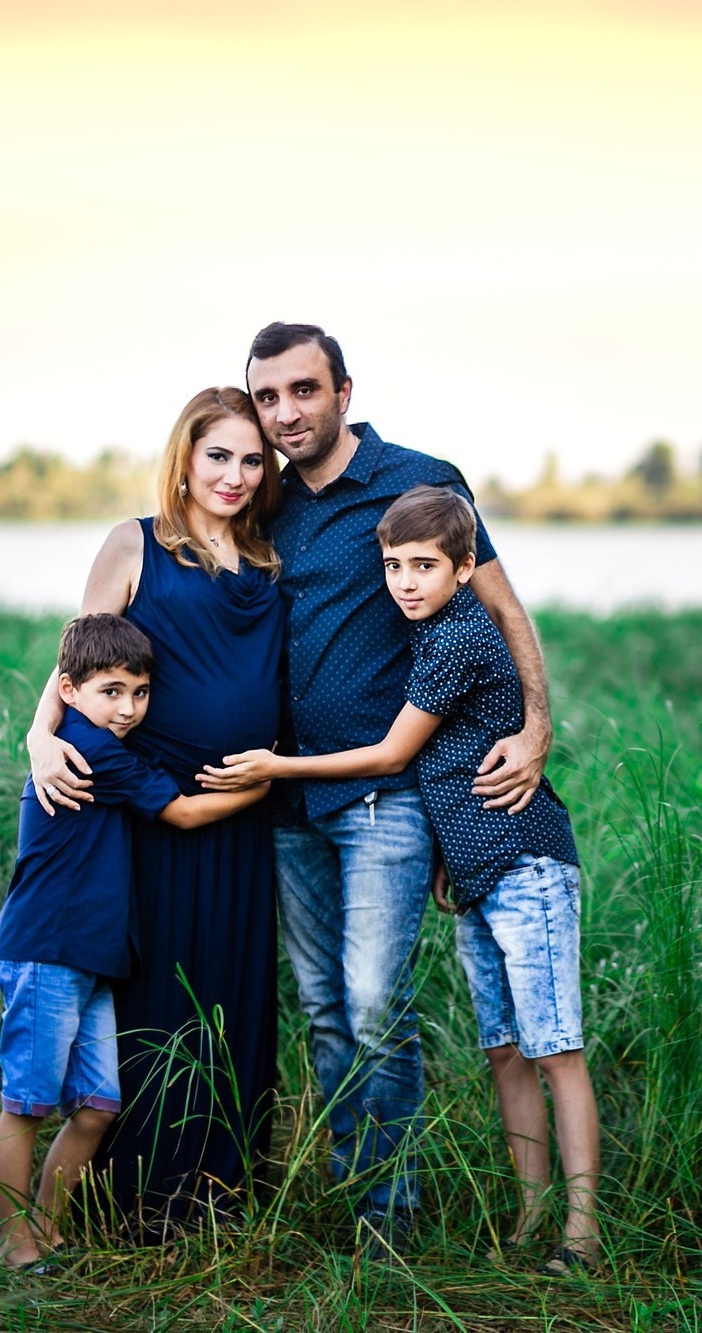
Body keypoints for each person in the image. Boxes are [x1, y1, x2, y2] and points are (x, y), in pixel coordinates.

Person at [198, 322, 551, 1257]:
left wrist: (536, 729)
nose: (283, 415)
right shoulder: (264, 504)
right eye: (266, 397)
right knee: (322, 1011)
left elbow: (505, 611)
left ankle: (394, 1216)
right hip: (287, 803)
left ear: (344, 391)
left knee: (370, 1004)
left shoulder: (420, 480)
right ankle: (360, 1198)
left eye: (302, 392)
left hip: (386, 799)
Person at [223, 486, 599, 1275]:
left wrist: (279, 765)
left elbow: (397, 756)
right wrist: (444, 856)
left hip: (525, 860)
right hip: (473, 874)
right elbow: (448, 766)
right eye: (393, 565)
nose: (405, 581)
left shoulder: (459, 636)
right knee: (503, 1050)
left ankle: (582, 1235)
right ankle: (530, 1225)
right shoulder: (426, 635)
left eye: (424, 565)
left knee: (554, 1046)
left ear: (465, 568)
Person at [23, 387, 286, 1240]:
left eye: (253, 459)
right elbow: (80, 655)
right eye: (219, 455)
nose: (236, 475)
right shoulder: (134, 543)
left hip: (242, 822)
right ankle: (132, 1201)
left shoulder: (272, 561)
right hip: (157, 812)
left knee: (233, 994)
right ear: (185, 456)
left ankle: (221, 1192)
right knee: (157, 997)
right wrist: (37, 734)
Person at [0, 612, 268, 1270]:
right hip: (49, 948)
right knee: (26, 1103)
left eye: (139, 692)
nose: (127, 707)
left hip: (91, 955)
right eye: (111, 690)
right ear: (68, 689)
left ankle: (49, 1228)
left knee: (97, 1106)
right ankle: (14, 1242)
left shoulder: (94, 741)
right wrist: (266, 782)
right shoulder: (90, 748)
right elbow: (184, 810)